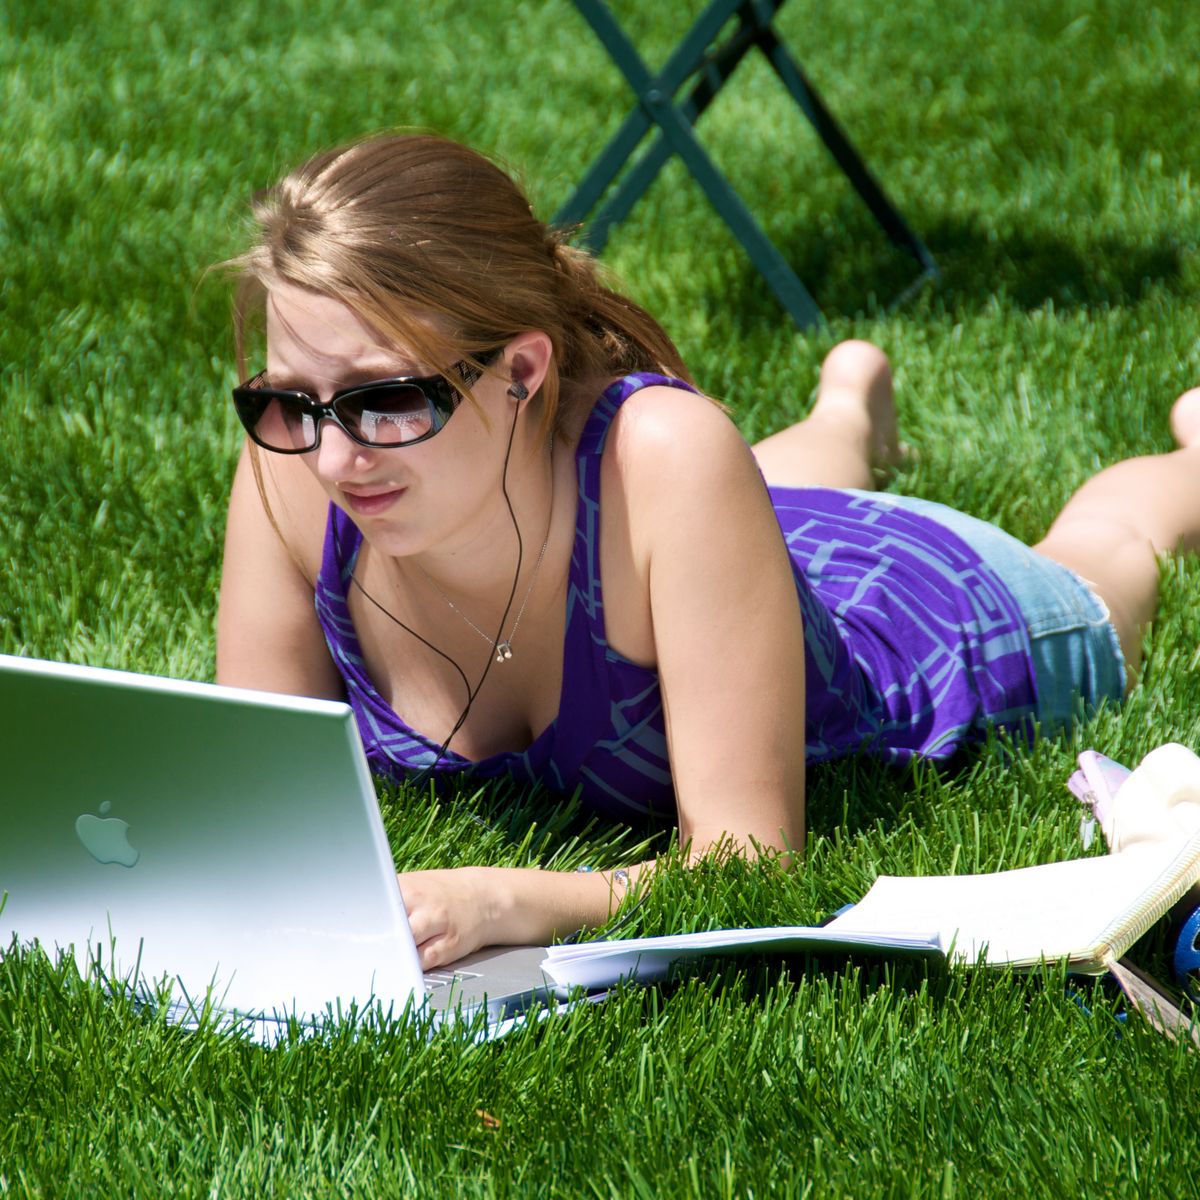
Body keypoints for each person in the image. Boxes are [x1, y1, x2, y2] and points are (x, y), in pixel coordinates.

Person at [216, 132, 1200, 970]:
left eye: (388, 400)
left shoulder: (669, 460)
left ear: (520, 369)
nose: (333, 458)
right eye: (290, 400)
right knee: (763, 488)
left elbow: (751, 860)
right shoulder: (292, 467)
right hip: (738, 537)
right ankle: (846, 406)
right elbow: (247, 807)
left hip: (931, 608)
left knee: (1106, 547)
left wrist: (502, 900)